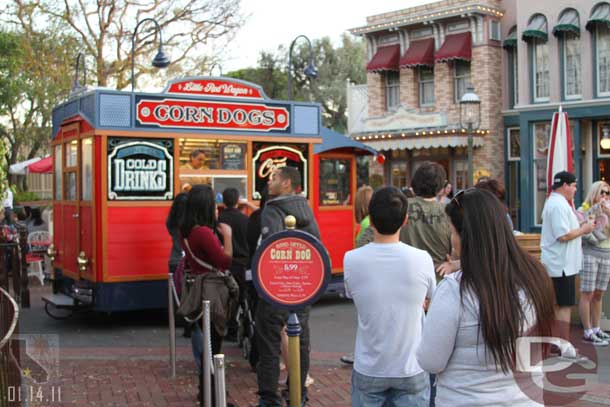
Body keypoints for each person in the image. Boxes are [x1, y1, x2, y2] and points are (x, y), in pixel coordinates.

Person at [417, 188, 556, 407]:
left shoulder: (455, 290)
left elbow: (430, 361)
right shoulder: (536, 277)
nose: (452, 240)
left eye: (453, 232)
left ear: (467, 237)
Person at [345, 186, 435, 407]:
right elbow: (431, 298)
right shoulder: (422, 259)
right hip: (411, 367)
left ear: (371, 220)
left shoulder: (351, 259)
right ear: (405, 220)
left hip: (369, 366)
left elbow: (352, 294)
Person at [255, 166, 320, 407]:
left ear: (286, 184)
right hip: (302, 287)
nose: (269, 181)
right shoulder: (306, 209)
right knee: (300, 340)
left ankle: (269, 398)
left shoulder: (272, 210)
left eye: (274, 178)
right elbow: (316, 248)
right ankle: (298, 394)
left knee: (269, 342)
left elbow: (271, 249)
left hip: (275, 288)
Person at [179, 185, 234, 406]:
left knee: (208, 346)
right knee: (214, 346)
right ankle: (213, 396)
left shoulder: (187, 230)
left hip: (199, 288)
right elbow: (224, 260)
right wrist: (228, 237)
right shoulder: (202, 232)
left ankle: (207, 394)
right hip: (211, 290)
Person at [541, 171, 594, 356]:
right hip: (560, 265)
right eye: (573, 185)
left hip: (560, 263)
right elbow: (563, 235)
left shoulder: (557, 203)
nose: (575, 189)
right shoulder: (557, 205)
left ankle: (557, 344)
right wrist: (584, 229)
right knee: (563, 305)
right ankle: (564, 345)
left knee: (558, 305)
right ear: (565, 185)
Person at [399, 162, 452, 269]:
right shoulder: (449, 212)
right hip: (439, 278)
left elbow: (367, 239)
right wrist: (455, 264)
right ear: (441, 186)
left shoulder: (400, 207)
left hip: (405, 274)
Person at [577, 181, 610, 345]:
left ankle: (597, 328)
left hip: (606, 254)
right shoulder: (583, 209)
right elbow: (581, 230)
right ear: (594, 193)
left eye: (607, 193)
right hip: (590, 254)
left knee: (599, 294)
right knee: (587, 293)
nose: (604, 196)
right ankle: (587, 331)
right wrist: (595, 211)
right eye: (602, 192)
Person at [219, 187, 250, 342]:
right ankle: (243, 330)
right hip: (242, 264)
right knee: (242, 298)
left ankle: (227, 329)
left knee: (227, 299)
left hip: (225, 263)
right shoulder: (245, 219)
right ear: (238, 201)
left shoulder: (219, 220)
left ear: (223, 201)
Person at [166, 193, 190, 337]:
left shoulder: (171, 221)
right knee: (189, 293)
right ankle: (189, 325)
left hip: (174, 258)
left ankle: (178, 321)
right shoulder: (190, 222)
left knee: (178, 294)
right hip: (187, 259)